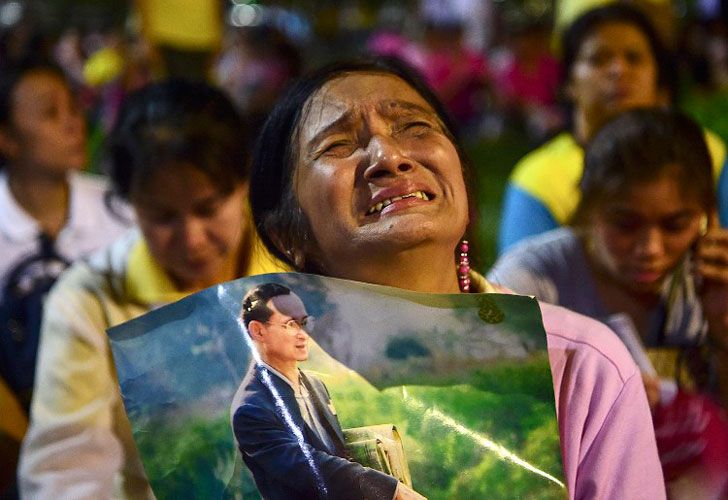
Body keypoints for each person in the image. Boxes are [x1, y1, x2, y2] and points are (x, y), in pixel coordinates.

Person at [247, 56, 665, 498]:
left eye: (413, 127)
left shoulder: (580, 364)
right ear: (288, 232)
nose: (388, 157)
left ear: (460, 175)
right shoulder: (260, 391)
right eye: (338, 145)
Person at [18, 80, 285, 498]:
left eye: (208, 208)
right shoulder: (89, 300)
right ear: (131, 204)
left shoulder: (293, 260)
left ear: (244, 182)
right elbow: (67, 470)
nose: (192, 239)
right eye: (162, 217)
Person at [488, 108, 728, 496]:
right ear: (587, 209)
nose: (650, 249)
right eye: (624, 225)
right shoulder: (531, 280)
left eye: (675, 225)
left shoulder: (713, 278)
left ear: (708, 216)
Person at [0, 60, 133, 498]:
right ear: (7, 138)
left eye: (73, 108)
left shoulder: (121, 213)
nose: (74, 123)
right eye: (50, 113)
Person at [498, 3, 728, 254]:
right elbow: (519, 286)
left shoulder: (705, 151)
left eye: (634, 58)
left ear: (659, 77)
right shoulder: (540, 179)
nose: (619, 70)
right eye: (599, 59)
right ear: (568, 83)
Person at [231, 283, 407, 499]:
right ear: (258, 331)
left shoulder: (316, 386)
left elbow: (337, 453)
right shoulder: (251, 408)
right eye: (291, 324)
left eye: (304, 323)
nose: (303, 334)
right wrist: (393, 489)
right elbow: (312, 467)